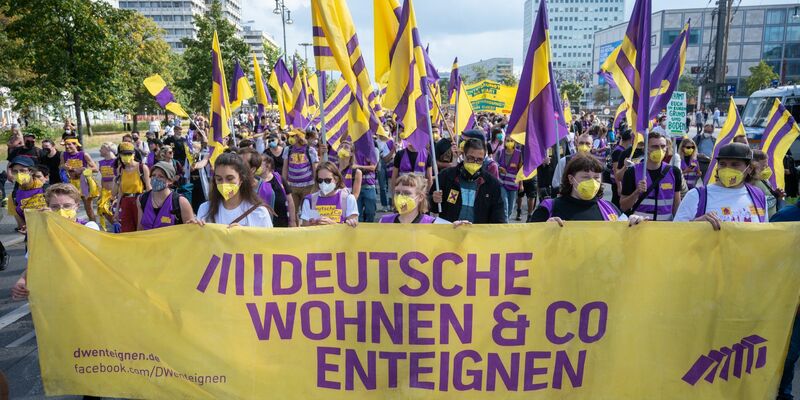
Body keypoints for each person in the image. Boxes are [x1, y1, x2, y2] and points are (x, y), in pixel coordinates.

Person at [11, 183, 101, 301]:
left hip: (84, 289)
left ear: (77, 206)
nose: (61, 210)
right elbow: (35, 263)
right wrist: (22, 280)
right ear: (48, 207)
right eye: (55, 207)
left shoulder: (89, 227)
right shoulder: (42, 232)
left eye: (67, 206)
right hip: (56, 291)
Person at [528, 154, 645, 226]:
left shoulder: (610, 209)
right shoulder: (548, 208)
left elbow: (624, 239)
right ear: (571, 179)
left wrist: (634, 223)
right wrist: (544, 229)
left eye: (596, 177)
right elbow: (528, 242)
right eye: (585, 177)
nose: (592, 182)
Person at [674, 143, 767, 228]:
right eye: (722, 164)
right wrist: (696, 224)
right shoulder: (696, 196)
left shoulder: (759, 196)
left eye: (735, 164)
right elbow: (676, 233)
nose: (727, 169)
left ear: (749, 169)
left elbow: (763, 234)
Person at [430, 138, 506, 224]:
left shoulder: (492, 183)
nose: (475, 162)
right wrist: (433, 200)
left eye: (479, 160)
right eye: (470, 158)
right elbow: (431, 207)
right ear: (463, 155)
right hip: (450, 233)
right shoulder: (446, 176)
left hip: (477, 235)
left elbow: (498, 217)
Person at [192, 152, 272, 228]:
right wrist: (193, 230)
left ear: (241, 179)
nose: (224, 184)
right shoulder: (205, 209)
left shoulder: (259, 212)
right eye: (219, 179)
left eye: (230, 178)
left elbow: (267, 241)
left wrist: (245, 234)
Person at [620, 132, 683, 221]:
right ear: (645, 149)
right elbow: (623, 206)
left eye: (663, 146)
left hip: (665, 229)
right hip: (640, 228)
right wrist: (637, 192)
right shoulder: (631, 172)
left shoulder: (674, 172)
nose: (660, 150)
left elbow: (676, 205)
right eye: (655, 146)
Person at [137, 161, 194, 230]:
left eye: (161, 176)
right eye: (153, 175)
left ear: (170, 181)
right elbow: (140, 229)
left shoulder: (181, 202)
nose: (155, 179)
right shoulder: (142, 199)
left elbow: (190, 230)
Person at [379, 174, 456, 224]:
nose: (400, 197)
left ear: (420, 197)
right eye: (397, 192)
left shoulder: (432, 224)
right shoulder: (384, 222)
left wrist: (459, 227)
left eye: (407, 193)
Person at [299, 161, 359, 227]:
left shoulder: (348, 198)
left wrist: (332, 224)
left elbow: (352, 230)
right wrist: (316, 224)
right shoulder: (309, 200)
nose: (323, 183)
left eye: (328, 180)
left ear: (336, 179)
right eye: (320, 180)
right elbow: (305, 229)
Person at [114, 142, 150, 232]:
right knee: (126, 230)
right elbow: (120, 191)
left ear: (133, 154)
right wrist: (117, 209)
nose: (126, 156)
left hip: (138, 201)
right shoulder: (120, 169)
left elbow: (149, 188)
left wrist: (149, 208)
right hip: (125, 202)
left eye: (128, 154)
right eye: (123, 154)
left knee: (140, 229)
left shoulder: (142, 167)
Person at [60, 138, 99, 222]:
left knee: (88, 208)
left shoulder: (84, 154)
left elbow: (95, 169)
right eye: (65, 145)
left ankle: (93, 226)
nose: (67, 147)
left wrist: (83, 169)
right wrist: (64, 167)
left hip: (83, 183)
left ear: (76, 145)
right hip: (71, 183)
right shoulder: (63, 154)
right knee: (69, 207)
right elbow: (61, 166)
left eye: (69, 144)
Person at [282, 129, 319, 215]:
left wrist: (316, 185)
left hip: (308, 187)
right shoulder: (287, 149)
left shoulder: (310, 150)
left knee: (307, 213)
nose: (290, 138)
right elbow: (285, 168)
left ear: (299, 137)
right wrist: (283, 184)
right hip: (291, 187)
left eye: (293, 136)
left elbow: (315, 169)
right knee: (293, 213)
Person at [8, 157, 46, 232]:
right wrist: (24, 228)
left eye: (22, 171)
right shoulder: (13, 197)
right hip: (31, 236)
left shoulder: (46, 189)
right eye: (15, 171)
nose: (19, 174)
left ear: (31, 171)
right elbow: (21, 225)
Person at [751, 149, 784, 218]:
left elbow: (768, 197)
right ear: (752, 166)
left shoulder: (764, 179)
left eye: (766, 166)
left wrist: (776, 195)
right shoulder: (749, 184)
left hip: (772, 220)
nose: (765, 169)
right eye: (763, 166)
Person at [496, 135, 522, 220]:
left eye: (511, 141)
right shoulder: (500, 152)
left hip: (513, 185)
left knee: (510, 209)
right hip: (502, 184)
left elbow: (520, 170)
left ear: (514, 142)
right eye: (507, 140)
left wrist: (521, 185)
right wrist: (499, 167)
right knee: (505, 207)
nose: (509, 142)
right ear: (504, 142)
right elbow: (494, 164)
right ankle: (505, 225)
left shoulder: (518, 154)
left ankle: (506, 221)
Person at [97, 143, 118, 231]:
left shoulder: (116, 161)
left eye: (101, 148)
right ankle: (116, 225)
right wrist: (101, 192)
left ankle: (119, 227)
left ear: (107, 149)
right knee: (103, 210)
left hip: (115, 192)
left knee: (115, 212)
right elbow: (103, 178)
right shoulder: (101, 163)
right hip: (105, 192)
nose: (99, 150)